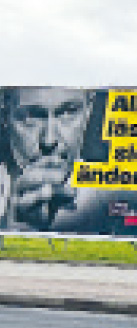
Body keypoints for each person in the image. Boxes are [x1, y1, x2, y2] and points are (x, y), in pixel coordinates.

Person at [0, 87, 95, 231]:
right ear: (4, 114)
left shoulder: (116, 200)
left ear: (89, 110)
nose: (49, 140)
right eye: (30, 115)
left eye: (68, 112)